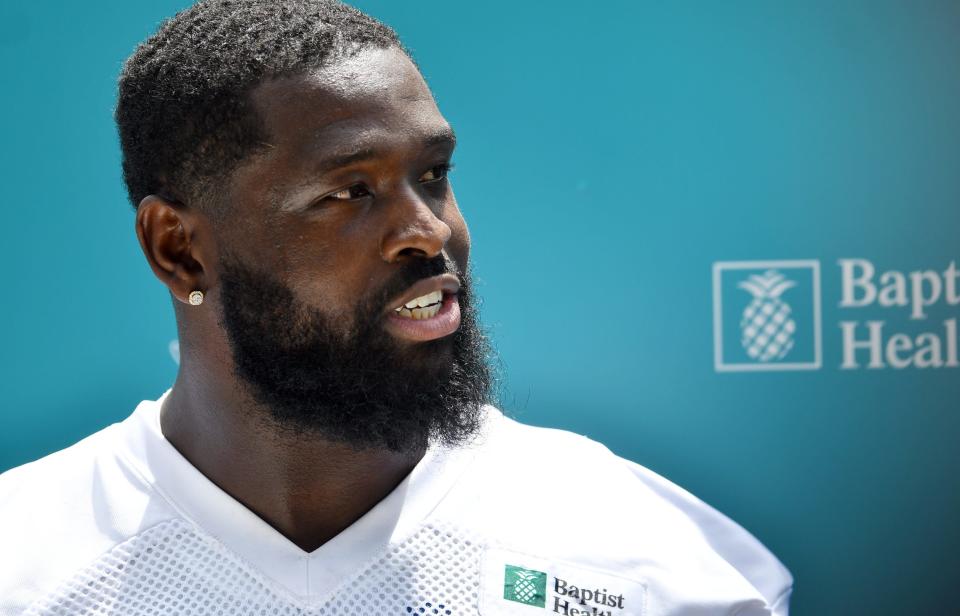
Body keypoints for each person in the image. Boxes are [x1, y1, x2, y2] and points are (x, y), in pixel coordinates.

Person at [0, 1, 792, 614]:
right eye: (350, 192)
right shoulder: (26, 566)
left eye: (437, 174)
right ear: (178, 249)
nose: (430, 231)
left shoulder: (653, 564)